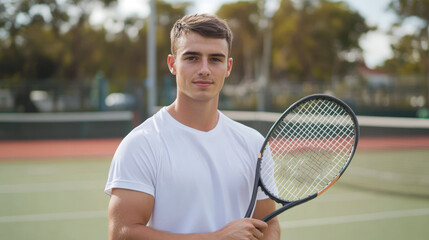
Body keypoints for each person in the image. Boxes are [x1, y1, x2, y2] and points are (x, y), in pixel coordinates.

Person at [105, 14, 281, 240]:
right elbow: (123, 233)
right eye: (192, 58)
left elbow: (269, 223)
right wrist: (216, 238)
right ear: (172, 64)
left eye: (215, 59)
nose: (205, 69)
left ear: (228, 67)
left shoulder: (254, 143)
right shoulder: (142, 143)